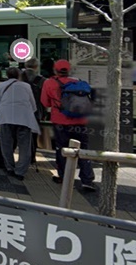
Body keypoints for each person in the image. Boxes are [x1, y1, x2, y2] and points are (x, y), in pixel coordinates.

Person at [41, 59, 96, 191]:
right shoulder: (78, 81)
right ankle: (87, 179)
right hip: (80, 122)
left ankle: (64, 176)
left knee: (62, 149)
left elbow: (45, 102)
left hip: (60, 121)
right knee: (83, 150)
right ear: (69, 70)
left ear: (55, 70)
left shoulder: (49, 83)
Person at [0, 67, 40, 179]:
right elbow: (33, 105)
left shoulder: (2, 85)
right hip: (24, 118)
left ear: (7, 75)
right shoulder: (26, 86)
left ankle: (10, 168)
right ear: (18, 75)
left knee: (6, 144)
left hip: (6, 117)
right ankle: (20, 171)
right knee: (24, 146)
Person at [23, 57, 46, 159]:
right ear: (36, 67)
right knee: (33, 135)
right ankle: (31, 156)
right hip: (35, 111)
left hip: (20, 111)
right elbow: (44, 99)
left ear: (25, 65)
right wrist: (44, 113)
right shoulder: (42, 80)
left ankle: (22, 157)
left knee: (20, 135)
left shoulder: (18, 77)